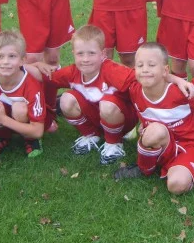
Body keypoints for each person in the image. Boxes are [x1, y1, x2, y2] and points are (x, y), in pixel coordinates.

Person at [113, 43, 194, 195]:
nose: (145, 70)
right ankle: (144, 168)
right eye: (140, 65)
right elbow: (104, 66)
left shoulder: (184, 91)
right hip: (162, 142)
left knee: (176, 185)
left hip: (190, 145)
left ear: (165, 70)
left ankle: (184, 169)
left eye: (151, 65)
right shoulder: (134, 88)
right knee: (155, 130)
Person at [47, 25, 138, 165]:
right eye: (80, 54)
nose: (85, 59)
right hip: (97, 117)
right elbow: (47, 79)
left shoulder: (112, 71)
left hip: (122, 118)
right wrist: (35, 67)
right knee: (66, 99)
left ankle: (114, 143)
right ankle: (91, 135)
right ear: (73, 53)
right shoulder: (73, 72)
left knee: (107, 104)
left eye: (91, 53)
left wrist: (147, 119)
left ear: (103, 54)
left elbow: (140, 81)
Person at [0, 30, 50, 158]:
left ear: (23, 60)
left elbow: (38, 130)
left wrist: (2, 119)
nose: (5, 61)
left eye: (12, 56)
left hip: (29, 120)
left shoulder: (32, 87)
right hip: (4, 115)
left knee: (19, 108)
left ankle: (30, 140)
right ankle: (2, 137)